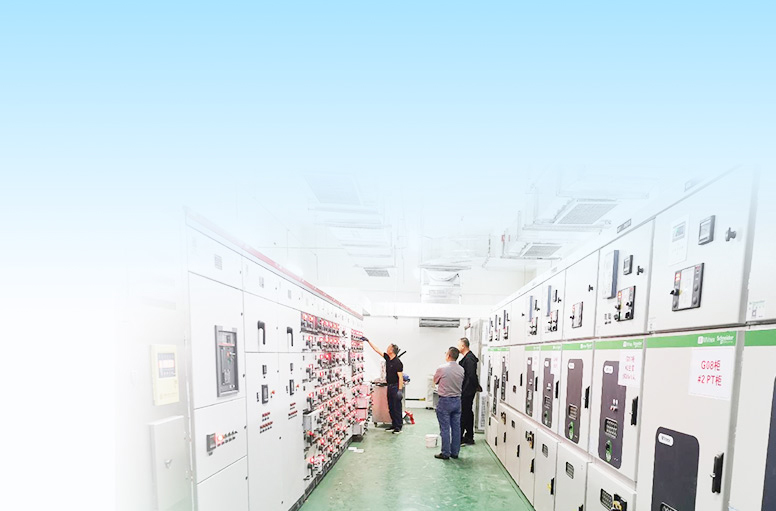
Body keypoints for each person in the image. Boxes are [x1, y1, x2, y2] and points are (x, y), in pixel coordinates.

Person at [365, 338, 404, 433]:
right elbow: (377, 350)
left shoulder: (398, 363)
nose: (387, 348)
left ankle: (398, 426)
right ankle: (393, 424)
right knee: (391, 407)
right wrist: (368, 341)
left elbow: (400, 377)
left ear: (392, 350)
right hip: (389, 386)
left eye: (389, 347)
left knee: (396, 407)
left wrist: (400, 390)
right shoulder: (388, 358)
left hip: (395, 387)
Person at [433, 347, 465, 460]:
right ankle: (455, 452)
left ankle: (445, 453)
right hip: (457, 401)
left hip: (445, 401)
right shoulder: (461, 369)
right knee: (456, 428)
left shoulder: (442, 368)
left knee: (445, 428)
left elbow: (435, 381)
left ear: (448, 355)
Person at [458, 337, 481, 445]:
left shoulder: (469, 359)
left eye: (459, 345)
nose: (458, 347)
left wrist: (476, 386)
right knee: (467, 412)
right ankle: (469, 436)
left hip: (467, 390)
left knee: (464, 413)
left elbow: (472, 375)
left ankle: (461, 437)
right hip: (467, 389)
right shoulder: (467, 358)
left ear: (463, 346)